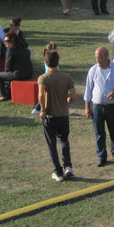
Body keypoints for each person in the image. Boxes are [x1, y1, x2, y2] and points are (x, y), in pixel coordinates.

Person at [84, 46, 114, 166]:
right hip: (97, 107)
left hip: (112, 106)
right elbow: (88, 90)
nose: (98, 60)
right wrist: (87, 107)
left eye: (100, 58)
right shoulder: (93, 70)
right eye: (97, 58)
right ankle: (101, 156)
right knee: (99, 133)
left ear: (107, 57)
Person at [38, 49, 77, 182]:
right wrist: (68, 101)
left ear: (46, 62)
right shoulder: (67, 77)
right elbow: (74, 96)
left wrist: (42, 109)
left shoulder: (43, 78)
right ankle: (68, 167)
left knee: (52, 144)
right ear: (58, 61)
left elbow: (41, 95)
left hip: (50, 115)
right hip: (63, 114)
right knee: (64, 140)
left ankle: (58, 171)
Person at [0, 32, 34, 102]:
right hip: (29, 73)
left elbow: (7, 68)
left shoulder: (11, 50)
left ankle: (2, 96)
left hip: (19, 75)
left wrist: (8, 73)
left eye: (7, 41)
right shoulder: (24, 48)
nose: (6, 43)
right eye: (4, 41)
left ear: (12, 41)